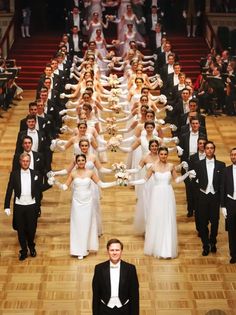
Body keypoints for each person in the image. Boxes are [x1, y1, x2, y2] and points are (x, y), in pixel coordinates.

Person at [129, 147, 196, 259]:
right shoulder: (153, 167)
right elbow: (144, 180)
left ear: (167, 155)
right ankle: (157, 246)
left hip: (168, 194)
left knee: (167, 218)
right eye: (162, 154)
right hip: (157, 195)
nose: (164, 156)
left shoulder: (171, 166)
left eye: (165, 154)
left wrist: (187, 173)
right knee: (157, 218)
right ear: (159, 155)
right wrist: (131, 181)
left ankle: (167, 248)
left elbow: (177, 180)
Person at [49, 154, 116, 259]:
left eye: (82, 160)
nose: (80, 162)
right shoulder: (73, 173)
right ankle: (78, 249)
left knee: (87, 224)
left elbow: (101, 184)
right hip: (77, 203)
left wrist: (116, 182)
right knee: (78, 225)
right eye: (78, 160)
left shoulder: (90, 172)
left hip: (88, 203)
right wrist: (56, 182)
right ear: (76, 162)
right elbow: (65, 187)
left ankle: (86, 247)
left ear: (85, 161)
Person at [4, 153, 42, 260]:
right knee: (20, 230)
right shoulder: (14, 174)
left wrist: (49, 182)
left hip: (32, 205)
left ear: (29, 162)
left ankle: (31, 245)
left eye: (27, 161)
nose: (25, 163)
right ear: (20, 162)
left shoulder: (36, 173)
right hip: (19, 206)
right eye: (23, 161)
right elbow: (9, 190)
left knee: (31, 229)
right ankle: (24, 250)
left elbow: (39, 191)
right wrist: (7, 206)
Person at [92, 238, 139, 315]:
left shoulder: (130, 269)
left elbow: (134, 296)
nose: (114, 253)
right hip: (104, 310)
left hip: (125, 310)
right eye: (112, 250)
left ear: (121, 251)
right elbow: (96, 295)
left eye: (117, 250)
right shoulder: (99, 269)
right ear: (108, 251)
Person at [194, 141, 225, 256]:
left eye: (211, 148)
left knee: (215, 222)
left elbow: (222, 184)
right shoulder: (198, 164)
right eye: (207, 148)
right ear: (204, 150)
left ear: (214, 150)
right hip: (203, 196)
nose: (209, 150)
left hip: (215, 197)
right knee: (202, 223)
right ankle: (205, 245)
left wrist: (223, 202)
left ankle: (213, 241)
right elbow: (194, 181)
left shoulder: (221, 165)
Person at [221, 147, 236, 264]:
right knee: (232, 231)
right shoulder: (226, 171)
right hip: (231, 203)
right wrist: (223, 206)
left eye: (235, 155)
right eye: (232, 155)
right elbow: (223, 189)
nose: (234, 157)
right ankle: (234, 255)